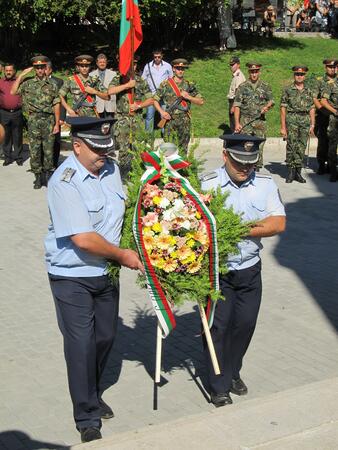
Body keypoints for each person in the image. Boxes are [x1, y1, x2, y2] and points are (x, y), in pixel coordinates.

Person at [45, 116, 144, 443]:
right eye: (96, 149)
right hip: (71, 274)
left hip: (106, 272)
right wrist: (123, 255)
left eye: (107, 147)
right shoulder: (65, 180)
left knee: (105, 337)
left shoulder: (111, 169)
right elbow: (83, 239)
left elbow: (124, 212)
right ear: (76, 146)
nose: (104, 154)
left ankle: (92, 388)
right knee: (81, 344)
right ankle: (86, 414)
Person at [201, 134, 286, 407]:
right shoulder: (207, 184)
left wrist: (240, 230)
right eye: (239, 161)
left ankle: (232, 370)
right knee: (218, 329)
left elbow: (278, 223)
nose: (245, 168)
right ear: (225, 155)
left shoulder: (264, 184)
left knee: (245, 325)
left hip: (250, 270)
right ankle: (219, 385)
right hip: (217, 273)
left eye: (250, 162)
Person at [11, 55, 60, 189]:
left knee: (48, 150)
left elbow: (56, 104)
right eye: (37, 68)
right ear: (34, 69)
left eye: (42, 67)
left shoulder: (53, 85)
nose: (39, 70)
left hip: (48, 120)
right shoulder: (27, 83)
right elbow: (13, 91)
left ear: (46, 69)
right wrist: (21, 75)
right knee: (35, 150)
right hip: (33, 121)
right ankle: (38, 177)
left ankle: (48, 176)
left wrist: (56, 123)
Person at [107, 55, 153, 180]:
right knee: (124, 148)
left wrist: (139, 105)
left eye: (134, 65)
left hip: (136, 118)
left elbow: (151, 99)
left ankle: (138, 172)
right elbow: (110, 91)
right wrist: (127, 85)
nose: (132, 67)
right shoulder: (118, 78)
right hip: (122, 119)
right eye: (130, 65)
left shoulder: (140, 80)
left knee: (138, 146)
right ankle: (124, 174)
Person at [153, 58, 204, 153]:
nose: (180, 71)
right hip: (169, 121)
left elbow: (201, 101)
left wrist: (188, 97)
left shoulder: (189, 85)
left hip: (184, 121)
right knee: (168, 150)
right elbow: (155, 100)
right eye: (178, 68)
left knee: (183, 150)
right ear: (173, 69)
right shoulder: (166, 84)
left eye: (182, 68)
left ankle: (182, 168)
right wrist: (162, 112)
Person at [234, 62, 274, 171]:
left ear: (259, 72)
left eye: (256, 72)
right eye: (252, 72)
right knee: (246, 145)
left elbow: (271, 100)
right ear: (249, 72)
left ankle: (257, 167)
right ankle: (245, 166)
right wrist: (237, 123)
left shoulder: (265, 86)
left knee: (260, 144)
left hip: (259, 121)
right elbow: (237, 105)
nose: (254, 74)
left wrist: (266, 107)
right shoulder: (242, 86)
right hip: (245, 120)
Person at [280, 65, 316, 183]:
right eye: (297, 74)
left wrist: (312, 124)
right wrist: (283, 127)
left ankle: (298, 172)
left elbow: (312, 108)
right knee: (291, 145)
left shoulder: (309, 90)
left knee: (301, 146)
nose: (299, 76)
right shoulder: (288, 89)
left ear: (304, 76)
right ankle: (290, 172)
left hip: (305, 120)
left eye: (301, 74)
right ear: (294, 75)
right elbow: (283, 108)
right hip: (292, 119)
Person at [313, 59, 337, 174]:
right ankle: (321, 164)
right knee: (323, 142)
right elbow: (315, 98)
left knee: (333, 143)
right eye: (329, 67)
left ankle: (331, 165)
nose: (332, 69)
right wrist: (324, 111)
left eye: (334, 67)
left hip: (335, 118)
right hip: (323, 116)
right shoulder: (320, 81)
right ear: (325, 68)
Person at [141, 49, 173, 131]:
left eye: (159, 57)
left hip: (164, 95)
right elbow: (143, 80)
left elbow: (171, 79)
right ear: (153, 57)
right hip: (152, 95)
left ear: (162, 56)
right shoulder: (147, 66)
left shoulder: (167, 66)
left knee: (164, 115)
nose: (157, 59)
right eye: (155, 57)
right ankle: (148, 136)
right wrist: (147, 94)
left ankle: (165, 135)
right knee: (149, 116)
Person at [0, 63, 24, 166]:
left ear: (14, 71)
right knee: (6, 136)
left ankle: (18, 157)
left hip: (17, 112)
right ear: (4, 71)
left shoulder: (20, 81)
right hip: (3, 112)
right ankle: (7, 157)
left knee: (17, 135)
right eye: (6, 70)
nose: (8, 72)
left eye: (10, 70)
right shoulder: (0, 82)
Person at [320, 60, 338, 182]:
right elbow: (323, 101)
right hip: (335, 119)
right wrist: (335, 111)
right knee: (332, 146)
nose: (334, 69)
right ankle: (333, 171)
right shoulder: (331, 84)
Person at [45, 60, 65, 169]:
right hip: (44, 117)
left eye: (45, 69)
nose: (43, 71)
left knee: (56, 141)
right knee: (44, 140)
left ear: (50, 70)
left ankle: (54, 163)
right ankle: (45, 163)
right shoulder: (37, 82)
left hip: (56, 117)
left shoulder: (59, 82)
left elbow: (62, 101)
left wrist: (62, 117)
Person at [90, 53, 117, 118]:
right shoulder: (91, 75)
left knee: (110, 125)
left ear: (106, 63)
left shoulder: (113, 74)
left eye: (104, 62)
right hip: (97, 104)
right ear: (97, 63)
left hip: (110, 103)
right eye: (100, 62)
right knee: (99, 126)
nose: (102, 64)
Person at [227, 56, 246, 132]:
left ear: (238, 65)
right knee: (233, 124)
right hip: (234, 102)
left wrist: (234, 106)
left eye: (233, 64)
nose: (231, 66)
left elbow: (238, 92)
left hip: (235, 102)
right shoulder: (236, 75)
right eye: (230, 65)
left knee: (235, 125)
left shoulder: (238, 76)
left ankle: (236, 142)